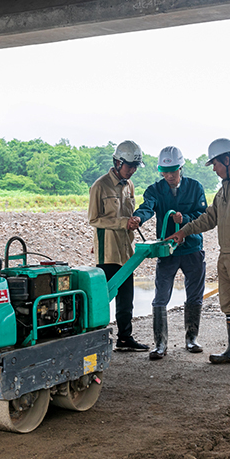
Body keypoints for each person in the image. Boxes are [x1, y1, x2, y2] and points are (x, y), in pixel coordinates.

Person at [167, 138, 230, 371]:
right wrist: (184, 231)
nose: (213, 169)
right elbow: (209, 217)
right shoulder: (224, 189)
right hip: (226, 256)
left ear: (227, 159)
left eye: (215, 164)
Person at [134, 146, 208, 360]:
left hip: (192, 248)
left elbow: (203, 215)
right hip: (167, 250)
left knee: (194, 294)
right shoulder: (155, 190)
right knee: (160, 296)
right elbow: (148, 206)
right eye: (164, 172)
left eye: (172, 172)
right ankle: (160, 344)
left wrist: (184, 218)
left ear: (181, 168)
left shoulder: (195, 187)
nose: (168, 176)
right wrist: (138, 218)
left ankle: (191, 339)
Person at [88, 140, 149, 351]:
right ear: (117, 162)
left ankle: (125, 338)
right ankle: (97, 341)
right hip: (108, 252)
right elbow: (94, 219)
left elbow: (129, 214)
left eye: (134, 167)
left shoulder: (129, 186)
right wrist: (123, 223)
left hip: (126, 251)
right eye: (129, 166)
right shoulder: (100, 186)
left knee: (126, 299)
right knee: (104, 298)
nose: (132, 171)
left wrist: (133, 222)